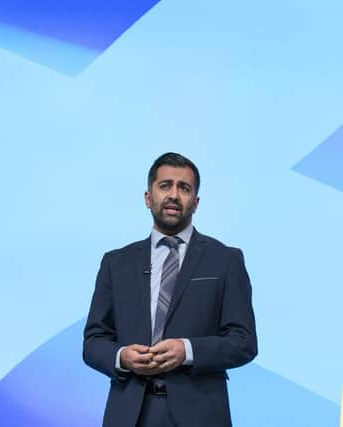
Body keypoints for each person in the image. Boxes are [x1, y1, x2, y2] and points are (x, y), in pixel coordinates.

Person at [83, 152, 257, 427]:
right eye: (165, 185)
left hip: (199, 415)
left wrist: (187, 350)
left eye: (184, 188)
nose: (174, 194)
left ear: (196, 202)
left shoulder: (225, 260)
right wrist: (122, 357)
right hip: (130, 414)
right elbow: (93, 341)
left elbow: (244, 342)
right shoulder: (116, 263)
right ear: (148, 197)